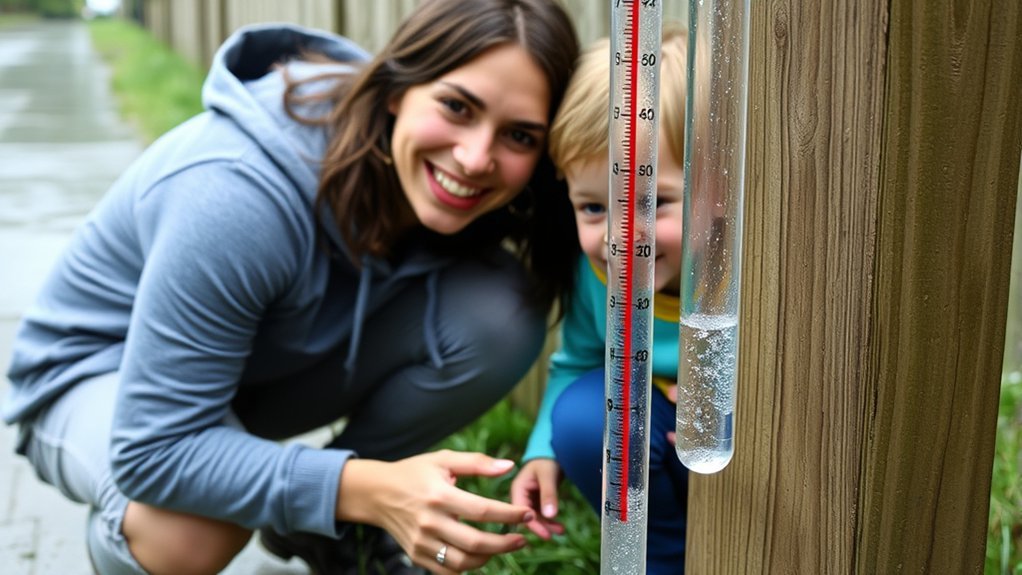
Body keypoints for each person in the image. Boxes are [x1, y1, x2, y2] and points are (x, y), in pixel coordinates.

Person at [1, 0, 581, 573]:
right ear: (398, 87)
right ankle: (145, 538)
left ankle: (322, 533)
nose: (476, 157)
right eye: (456, 107)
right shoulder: (235, 194)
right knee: (190, 530)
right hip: (103, 379)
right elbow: (154, 452)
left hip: (248, 372)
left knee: (502, 315)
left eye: (520, 137)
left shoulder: (472, 191)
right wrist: (366, 487)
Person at [509, 29, 690, 574]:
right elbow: (580, 360)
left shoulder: (745, 273)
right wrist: (542, 449)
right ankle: (662, 557)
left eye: (654, 201)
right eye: (593, 207)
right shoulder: (595, 272)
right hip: (657, 434)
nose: (621, 237)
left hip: (736, 442)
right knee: (586, 421)